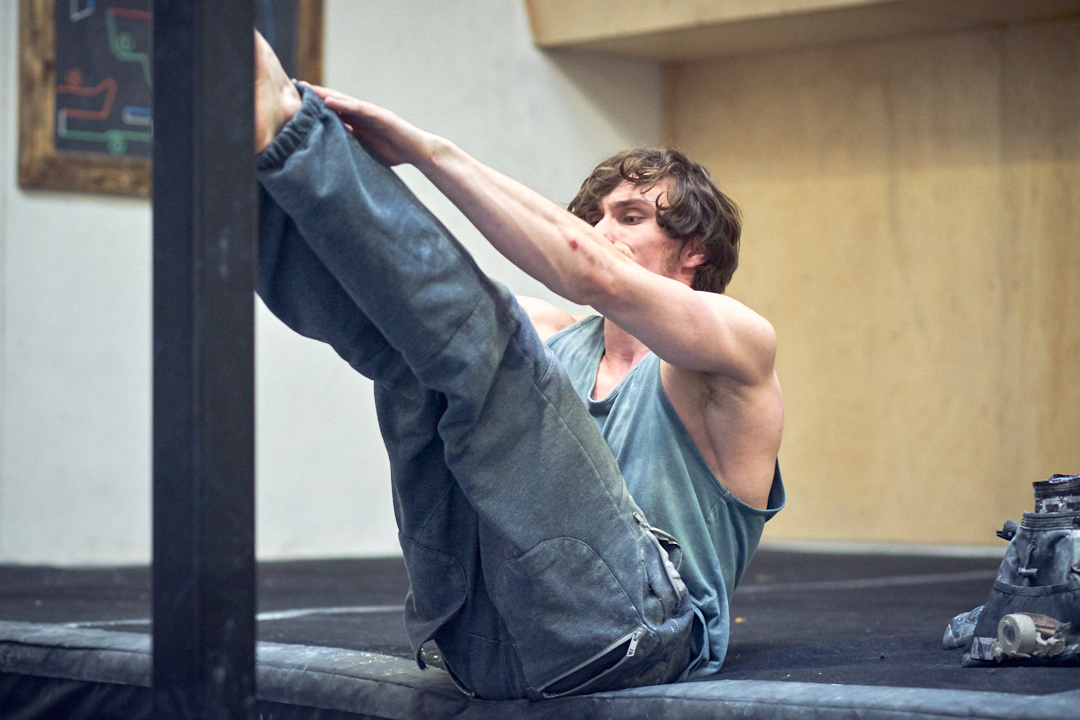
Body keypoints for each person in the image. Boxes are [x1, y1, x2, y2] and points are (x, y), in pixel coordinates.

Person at [253, 33, 784, 701]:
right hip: (480, 639)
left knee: (490, 347)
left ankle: (290, 142)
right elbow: (422, 309)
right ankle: (253, 185)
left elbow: (588, 271)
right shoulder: (560, 340)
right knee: (420, 352)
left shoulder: (733, 354)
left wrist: (425, 150)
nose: (602, 230)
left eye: (629, 217)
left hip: (635, 635)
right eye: (593, 215)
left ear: (695, 252)